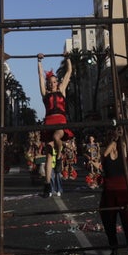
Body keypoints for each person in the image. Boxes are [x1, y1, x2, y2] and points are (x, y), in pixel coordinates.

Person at [98, 128, 128, 255]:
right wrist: (115, 141)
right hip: (114, 190)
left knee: (126, 222)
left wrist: (115, 140)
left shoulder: (122, 149)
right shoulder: (113, 150)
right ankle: (117, 250)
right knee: (111, 221)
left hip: (119, 190)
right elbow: (104, 159)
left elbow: (106, 157)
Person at [37, 53, 73, 197]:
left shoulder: (62, 90)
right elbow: (40, 76)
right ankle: (47, 185)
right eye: (50, 82)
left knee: (57, 137)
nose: (52, 84)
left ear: (57, 82)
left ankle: (59, 159)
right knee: (48, 154)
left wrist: (68, 58)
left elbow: (69, 71)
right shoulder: (45, 94)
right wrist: (39, 61)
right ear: (48, 84)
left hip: (60, 122)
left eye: (54, 82)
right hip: (48, 123)